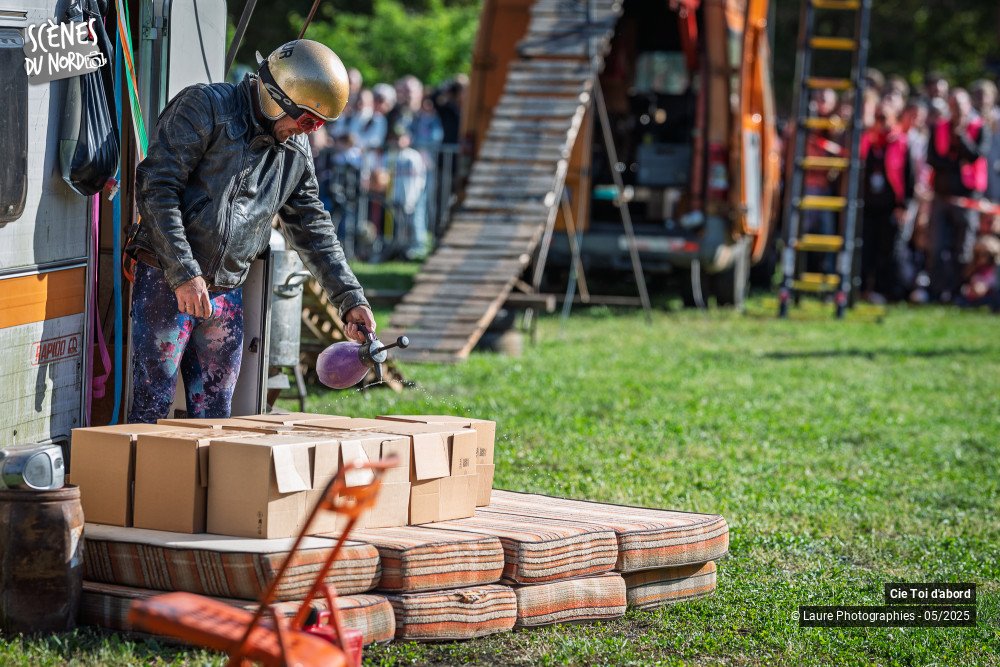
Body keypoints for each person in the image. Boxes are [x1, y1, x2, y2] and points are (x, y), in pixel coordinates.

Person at [126, 39, 376, 423]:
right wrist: (184, 272)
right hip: (166, 280)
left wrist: (350, 298)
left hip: (226, 291)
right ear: (279, 97)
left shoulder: (296, 151)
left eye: (319, 125)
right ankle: (137, 483)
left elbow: (313, 228)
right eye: (307, 119)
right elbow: (156, 189)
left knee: (216, 416)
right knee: (150, 408)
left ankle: (202, 485)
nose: (306, 132)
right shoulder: (204, 107)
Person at [925, 88, 991, 302]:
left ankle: (956, 291)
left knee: (962, 249)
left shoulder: (979, 128)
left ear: (968, 106)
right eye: (952, 106)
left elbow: (976, 156)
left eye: (959, 106)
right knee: (936, 247)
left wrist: (960, 136)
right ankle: (936, 291)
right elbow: (933, 158)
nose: (955, 111)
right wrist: (956, 163)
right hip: (942, 196)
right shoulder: (939, 128)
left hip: (967, 199)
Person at [859, 100, 913, 302]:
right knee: (867, 249)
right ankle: (865, 289)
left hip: (891, 207)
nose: (880, 122)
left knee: (888, 250)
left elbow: (909, 177)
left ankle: (887, 291)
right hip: (869, 206)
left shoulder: (901, 142)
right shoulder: (868, 141)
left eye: (884, 117)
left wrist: (903, 205)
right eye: (877, 117)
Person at [955, 235, 1000, 311]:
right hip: (975, 296)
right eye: (978, 253)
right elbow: (966, 281)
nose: (982, 257)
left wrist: (986, 288)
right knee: (960, 300)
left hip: (992, 294)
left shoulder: (997, 268)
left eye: (987, 254)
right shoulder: (973, 267)